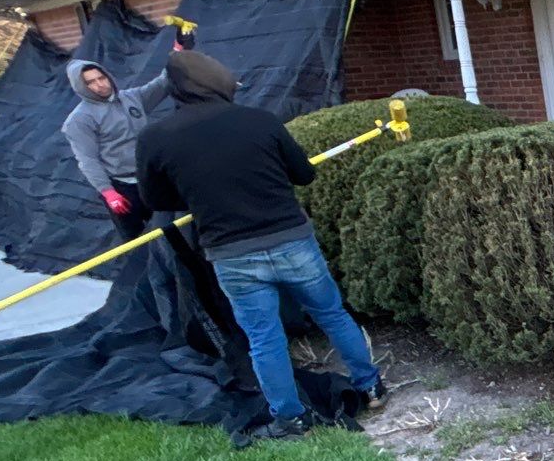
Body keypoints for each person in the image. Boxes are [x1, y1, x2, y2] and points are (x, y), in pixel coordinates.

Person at [135, 50, 386, 440]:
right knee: (332, 315)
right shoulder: (259, 120)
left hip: (232, 254)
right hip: (292, 240)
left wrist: (199, 192)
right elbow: (303, 174)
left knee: (264, 337)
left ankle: (290, 420)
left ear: (174, 89)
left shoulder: (156, 138)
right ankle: (370, 387)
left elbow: (156, 200)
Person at [61, 59, 172, 241]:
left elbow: (162, 83)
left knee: (172, 229)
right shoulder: (79, 120)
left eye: (101, 78)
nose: (99, 85)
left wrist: (177, 53)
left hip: (151, 178)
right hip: (122, 189)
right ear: (81, 88)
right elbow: (87, 160)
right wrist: (108, 192)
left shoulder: (132, 98)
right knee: (137, 241)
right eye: (90, 82)